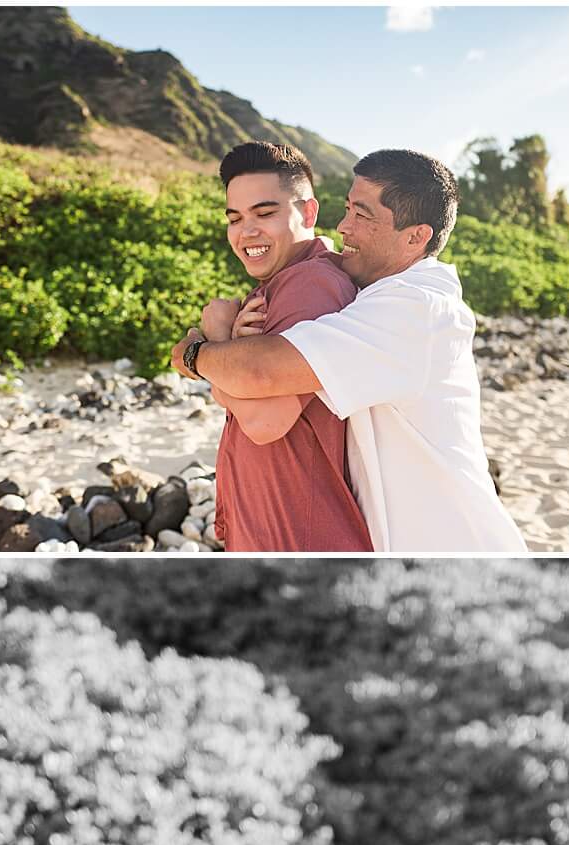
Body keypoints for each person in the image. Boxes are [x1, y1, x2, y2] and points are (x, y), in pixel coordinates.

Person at [172, 150, 528, 555]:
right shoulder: (374, 298)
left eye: (363, 215)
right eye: (346, 209)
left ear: (416, 236)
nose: (342, 227)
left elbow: (262, 385)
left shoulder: (412, 311)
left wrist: (198, 351)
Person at [183, 139, 371, 554]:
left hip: (298, 536)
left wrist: (212, 344)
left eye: (265, 213)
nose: (247, 231)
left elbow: (265, 422)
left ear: (308, 212)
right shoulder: (279, 284)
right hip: (278, 528)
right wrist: (225, 353)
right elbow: (242, 395)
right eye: (235, 218)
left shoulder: (311, 284)